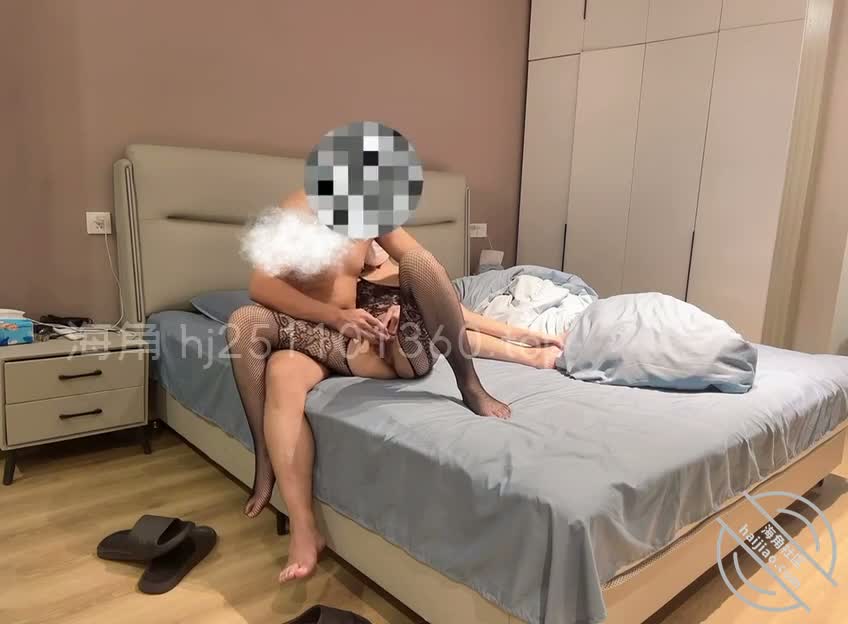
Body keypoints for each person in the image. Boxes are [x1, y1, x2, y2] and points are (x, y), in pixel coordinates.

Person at [227, 190, 563, 582]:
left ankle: (469, 383)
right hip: (314, 331)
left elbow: (429, 274)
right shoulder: (298, 210)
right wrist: (336, 317)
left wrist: (514, 333)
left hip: (360, 342)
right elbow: (261, 286)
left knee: (418, 264)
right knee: (250, 331)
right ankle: (292, 508)